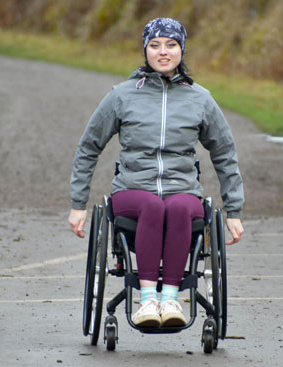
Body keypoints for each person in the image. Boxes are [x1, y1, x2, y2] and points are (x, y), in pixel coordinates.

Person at [69, 17, 244, 328]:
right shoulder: (122, 95)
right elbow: (88, 147)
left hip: (182, 190)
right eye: (155, 45)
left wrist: (234, 210)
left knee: (177, 207)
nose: (163, 52)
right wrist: (77, 204)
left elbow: (224, 153)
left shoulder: (200, 98)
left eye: (171, 45)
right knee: (152, 205)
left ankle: (170, 299)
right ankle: (147, 300)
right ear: (146, 50)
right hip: (133, 190)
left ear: (182, 50)